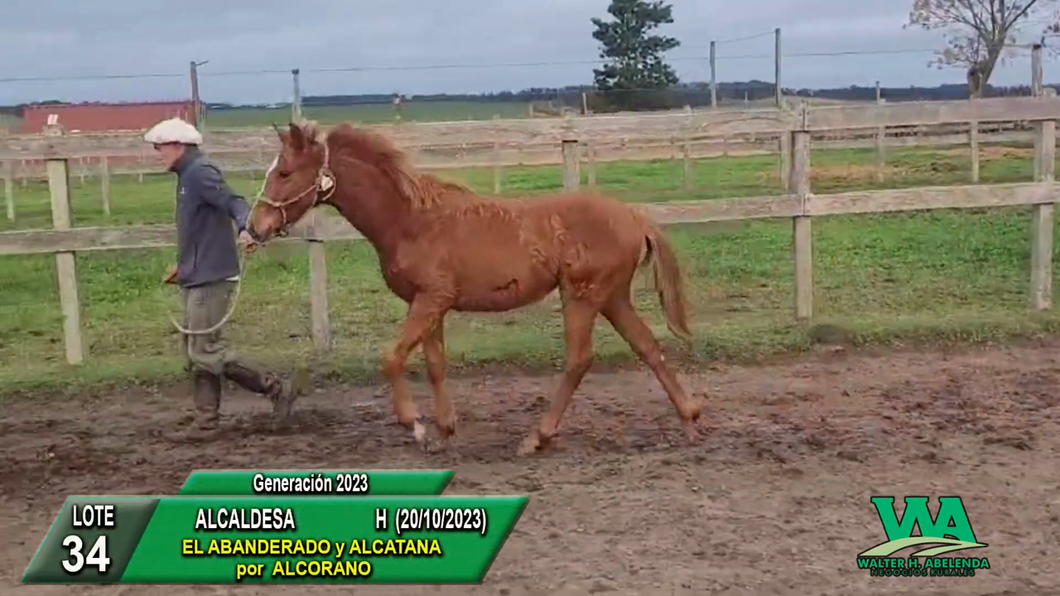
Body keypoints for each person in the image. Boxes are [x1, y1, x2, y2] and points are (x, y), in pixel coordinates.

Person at [144, 117, 303, 441]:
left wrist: (247, 227)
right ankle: (207, 420)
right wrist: (184, 265)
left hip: (212, 276)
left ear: (178, 146)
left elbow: (233, 201)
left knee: (205, 349)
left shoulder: (200, 172)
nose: (158, 153)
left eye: (160, 147)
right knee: (195, 348)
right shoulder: (187, 175)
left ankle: (275, 389)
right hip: (197, 273)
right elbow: (200, 227)